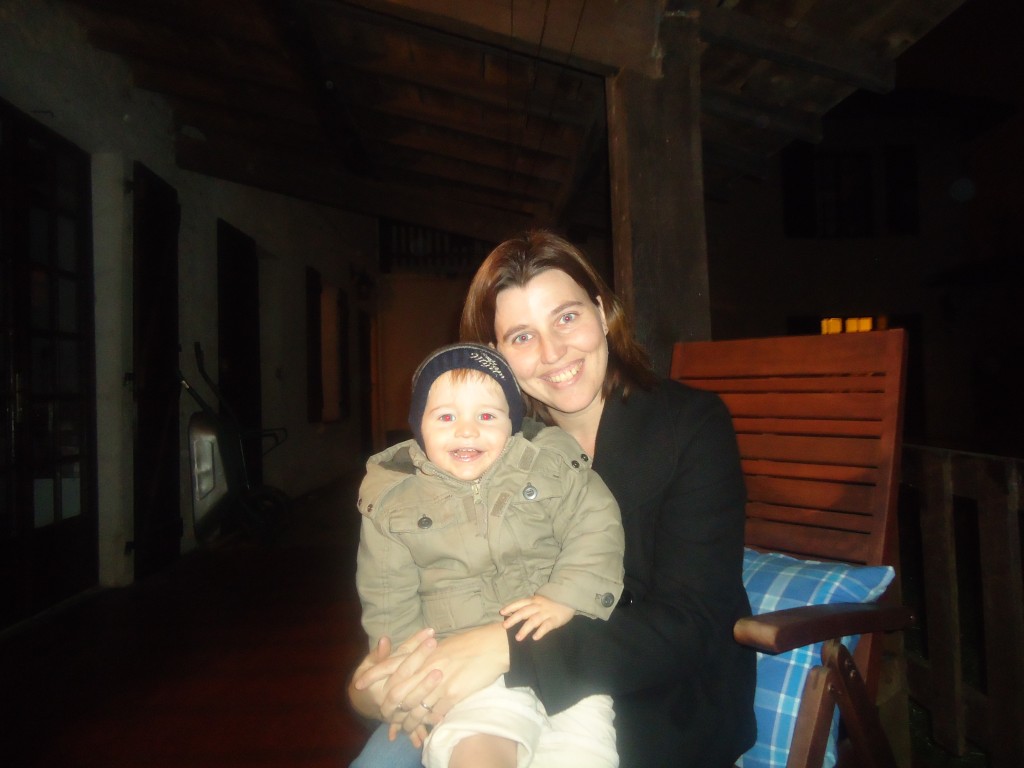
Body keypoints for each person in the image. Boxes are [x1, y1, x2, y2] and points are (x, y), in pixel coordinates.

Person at [348, 230, 757, 768]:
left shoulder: (690, 426)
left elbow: (693, 622)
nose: (552, 352)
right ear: (494, 357)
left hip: (650, 702)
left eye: (566, 317)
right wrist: (376, 685)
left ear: (601, 312)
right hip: (488, 695)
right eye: (522, 336)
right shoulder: (484, 448)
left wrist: (503, 648)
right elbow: (420, 582)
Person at [355, 341, 625, 768]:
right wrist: (409, 679)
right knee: (478, 750)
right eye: (446, 416)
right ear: (418, 426)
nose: (467, 430)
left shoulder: (549, 464)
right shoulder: (393, 501)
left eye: (486, 416)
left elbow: (595, 523)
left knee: (584, 751)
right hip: (467, 669)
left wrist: (565, 595)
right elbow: (387, 596)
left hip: (562, 651)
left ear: (512, 425)